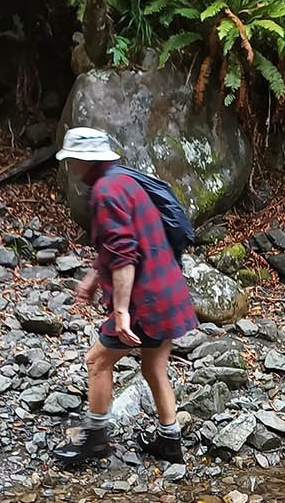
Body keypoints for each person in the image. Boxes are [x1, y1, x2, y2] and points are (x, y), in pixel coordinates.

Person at [51, 127, 198, 468]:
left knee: (97, 361)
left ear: (84, 160)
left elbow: (124, 257)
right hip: (168, 289)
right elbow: (119, 244)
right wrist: (92, 279)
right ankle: (170, 441)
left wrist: (121, 312)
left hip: (146, 301)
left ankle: (95, 441)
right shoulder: (126, 180)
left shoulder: (105, 192)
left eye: (72, 159)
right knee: (154, 366)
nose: (70, 165)